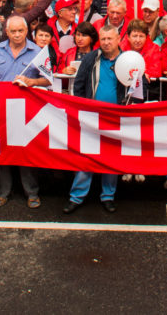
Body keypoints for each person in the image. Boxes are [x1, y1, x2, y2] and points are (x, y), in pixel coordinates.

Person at [0, 16, 51, 208]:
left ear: (26, 31)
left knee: (26, 151)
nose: (16, 35)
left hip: (26, 111)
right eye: (13, 31)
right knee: (3, 151)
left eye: (20, 31)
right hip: (1, 109)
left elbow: (48, 79)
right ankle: (4, 191)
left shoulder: (37, 52)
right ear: (6, 32)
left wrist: (32, 82)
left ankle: (31, 192)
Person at [64, 25, 125, 214]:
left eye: (110, 39)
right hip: (92, 116)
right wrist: (84, 109)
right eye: (103, 39)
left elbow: (138, 87)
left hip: (116, 117)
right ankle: (77, 196)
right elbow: (79, 85)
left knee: (111, 158)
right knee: (86, 157)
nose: (106, 42)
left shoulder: (128, 60)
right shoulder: (91, 58)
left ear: (118, 40)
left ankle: (108, 196)